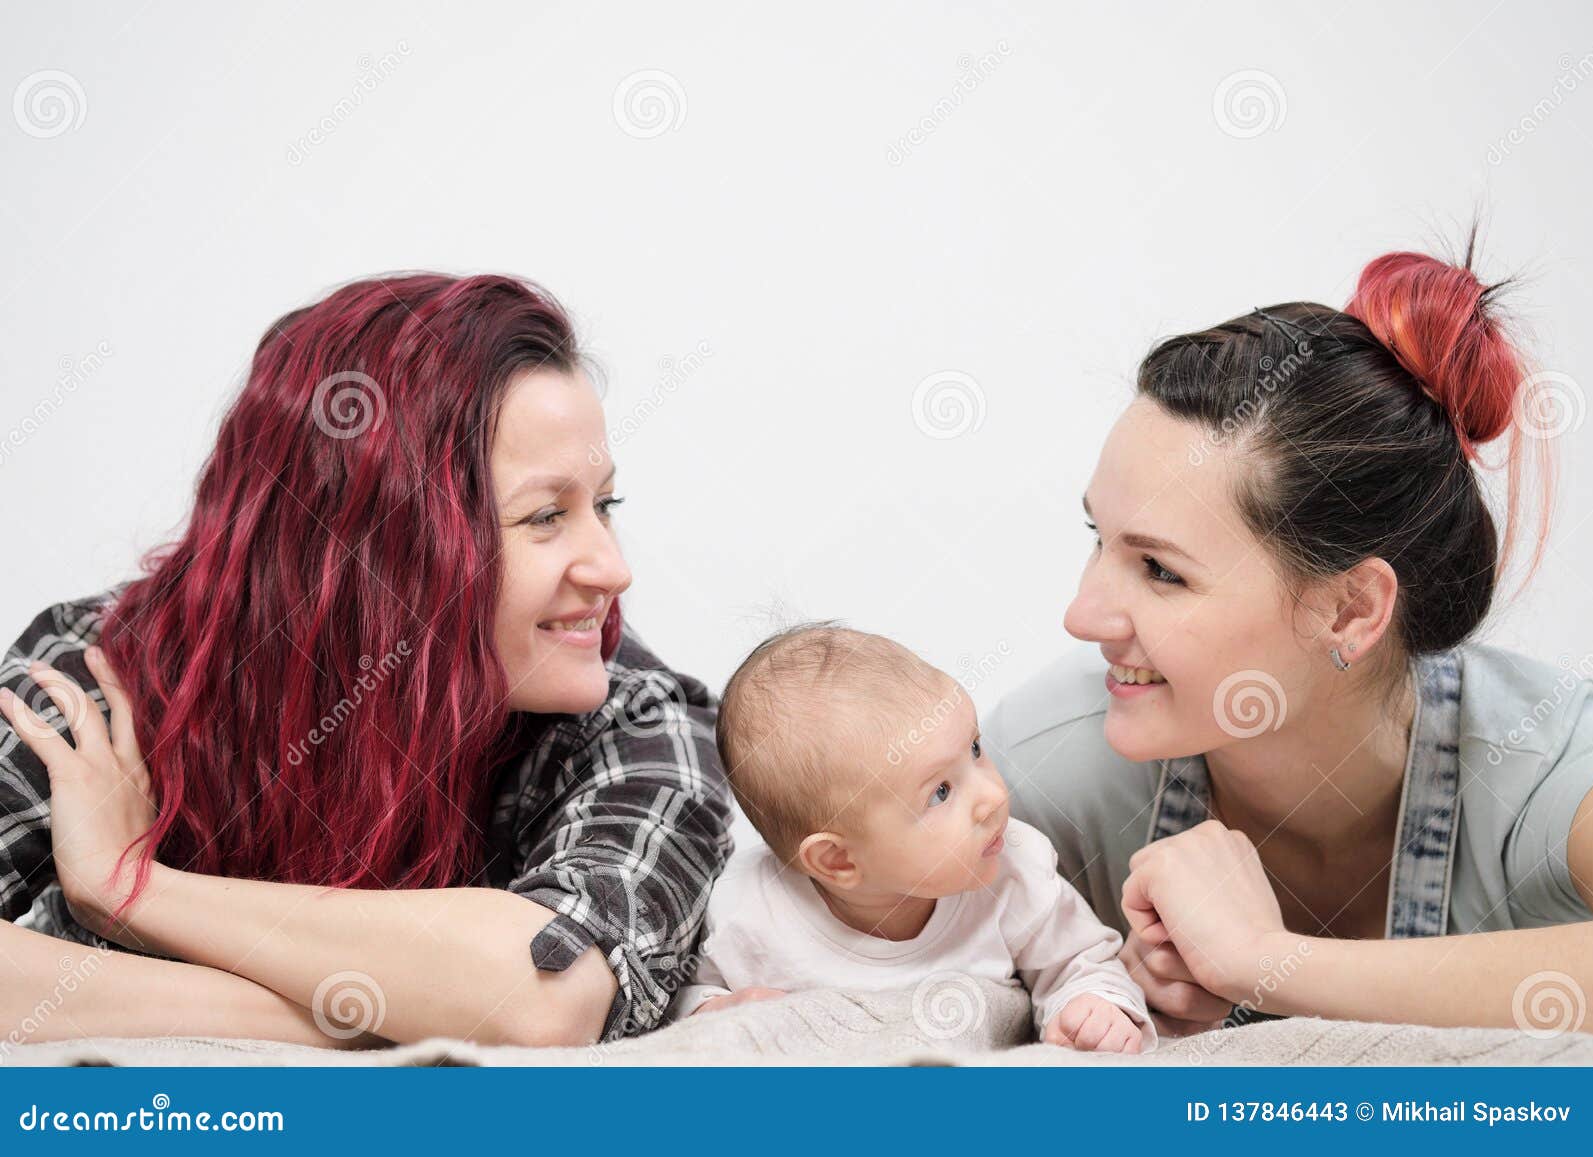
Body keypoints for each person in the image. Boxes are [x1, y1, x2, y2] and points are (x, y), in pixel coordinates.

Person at [0, 273, 732, 1049]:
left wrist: (129, 887)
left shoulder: (639, 714)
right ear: (374, 548)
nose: (612, 569)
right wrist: (381, 1010)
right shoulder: (104, 672)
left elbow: (543, 996)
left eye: (604, 505)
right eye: (546, 515)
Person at [986, 245, 1593, 1036]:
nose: (1082, 614)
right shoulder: (1043, 771)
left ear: (1349, 610)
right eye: (1095, 538)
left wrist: (1262, 962)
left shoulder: (1545, 759)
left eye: (1160, 570)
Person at [674, 624, 1155, 1054]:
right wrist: (714, 1011)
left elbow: (1082, 962)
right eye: (941, 792)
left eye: (974, 748)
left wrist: (1094, 1006)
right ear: (838, 859)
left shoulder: (1015, 873)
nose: (990, 795)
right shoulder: (749, 912)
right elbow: (677, 1006)